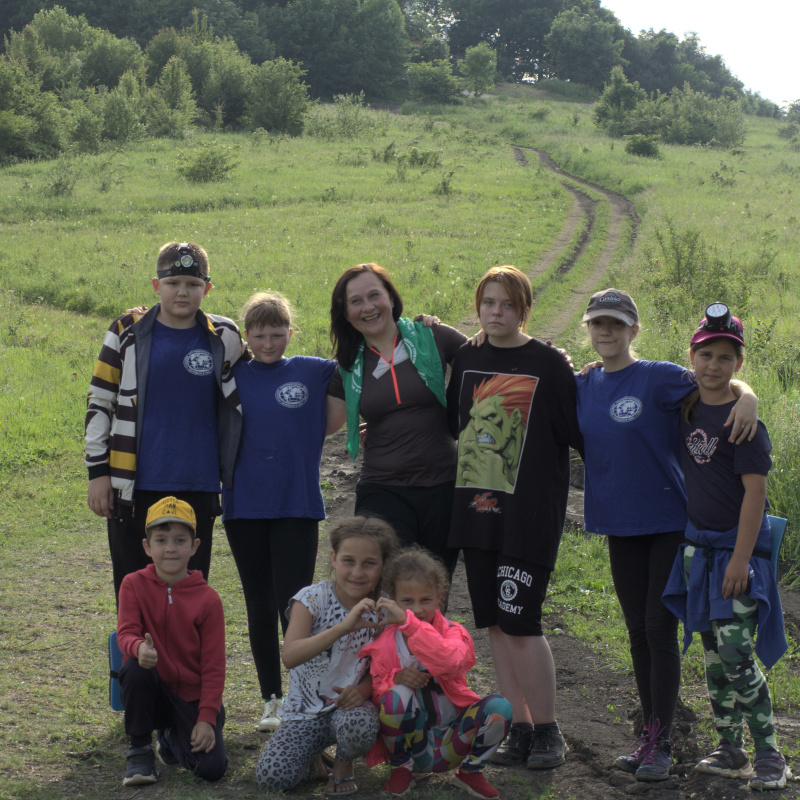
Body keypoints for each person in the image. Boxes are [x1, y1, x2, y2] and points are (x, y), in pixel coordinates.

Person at [575, 289, 758, 781]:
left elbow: (717, 379)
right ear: (588, 330)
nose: (606, 332)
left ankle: (662, 741)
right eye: (598, 324)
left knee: (659, 629)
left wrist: (750, 397)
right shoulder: (582, 385)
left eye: (616, 324)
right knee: (637, 632)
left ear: (634, 330)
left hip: (668, 522)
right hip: (617, 523)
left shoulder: (657, 377)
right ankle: (650, 731)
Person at [447, 265, 584, 772]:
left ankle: (549, 732)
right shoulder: (466, 357)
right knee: (496, 627)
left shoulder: (548, 362)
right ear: (478, 307)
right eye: (488, 304)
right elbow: (454, 423)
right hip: (477, 512)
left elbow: (577, 432)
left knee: (522, 622)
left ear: (524, 310)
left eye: (507, 305)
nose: (496, 313)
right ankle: (520, 729)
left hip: (528, 516)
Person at [662, 306, 791, 791]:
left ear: (739, 363)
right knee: (714, 655)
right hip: (697, 551)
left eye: (725, 357)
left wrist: (739, 559)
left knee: (736, 653)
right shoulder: (685, 403)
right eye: (705, 354)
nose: (713, 365)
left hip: (737, 555)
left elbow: (755, 494)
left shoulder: (745, 423)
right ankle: (729, 745)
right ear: (692, 356)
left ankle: (770, 756)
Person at [85, 242, 247, 601]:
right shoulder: (127, 331)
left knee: (188, 591)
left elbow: (256, 376)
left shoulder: (225, 337)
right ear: (157, 286)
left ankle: (183, 659)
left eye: (193, 283)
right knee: (134, 590)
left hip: (198, 484)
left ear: (207, 287)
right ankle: (134, 657)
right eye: (173, 284)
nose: (183, 292)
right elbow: (100, 400)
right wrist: (98, 474)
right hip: (134, 485)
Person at [222, 291, 338, 732]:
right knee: (258, 602)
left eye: (277, 334)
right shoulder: (231, 375)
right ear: (246, 336)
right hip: (243, 505)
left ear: (292, 333)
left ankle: (303, 697)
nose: (269, 343)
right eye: (259, 335)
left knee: (297, 606)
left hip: (297, 504)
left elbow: (360, 356)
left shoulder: (312, 369)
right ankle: (270, 699)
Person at [327, 263, 467, 577]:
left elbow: (487, 358)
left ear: (391, 297)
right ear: (346, 313)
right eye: (356, 301)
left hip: (443, 486)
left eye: (374, 295)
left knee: (432, 590)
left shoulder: (432, 336)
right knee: (385, 588)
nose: (368, 307)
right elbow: (322, 425)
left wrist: (551, 359)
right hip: (383, 489)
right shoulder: (347, 367)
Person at [255, 516, 399, 796]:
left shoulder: (385, 609)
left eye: (369, 563)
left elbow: (383, 667)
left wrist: (362, 690)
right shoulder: (311, 599)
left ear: (385, 564)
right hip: (304, 713)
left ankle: (344, 767)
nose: (357, 572)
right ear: (333, 559)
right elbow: (290, 656)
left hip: (350, 710)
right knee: (272, 777)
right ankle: (316, 765)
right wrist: (342, 627)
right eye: (348, 561)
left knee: (359, 725)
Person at [360, 547, 512, 799]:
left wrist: (410, 625)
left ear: (439, 597)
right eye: (407, 602)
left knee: (500, 708)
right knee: (395, 695)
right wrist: (395, 679)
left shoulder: (454, 632)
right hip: (413, 748)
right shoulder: (386, 642)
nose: (417, 609)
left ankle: (471, 771)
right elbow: (377, 695)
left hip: (454, 741)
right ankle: (401, 770)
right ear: (393, 600)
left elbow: (450, 662)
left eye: (425, 600)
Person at [116, 497, 227, 786]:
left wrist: (206, 718)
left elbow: (214, 666)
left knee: (211, 769)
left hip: (190, 696)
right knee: (135, 669)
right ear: (147, 546)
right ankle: (139, 748)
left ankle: (171, 737)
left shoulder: (209, 600)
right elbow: (125, 633)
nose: (170, 548)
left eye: (180, 540)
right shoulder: (132, 584)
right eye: (161, 540)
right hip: (151, 689)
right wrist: (139, 648)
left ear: (195, 546)